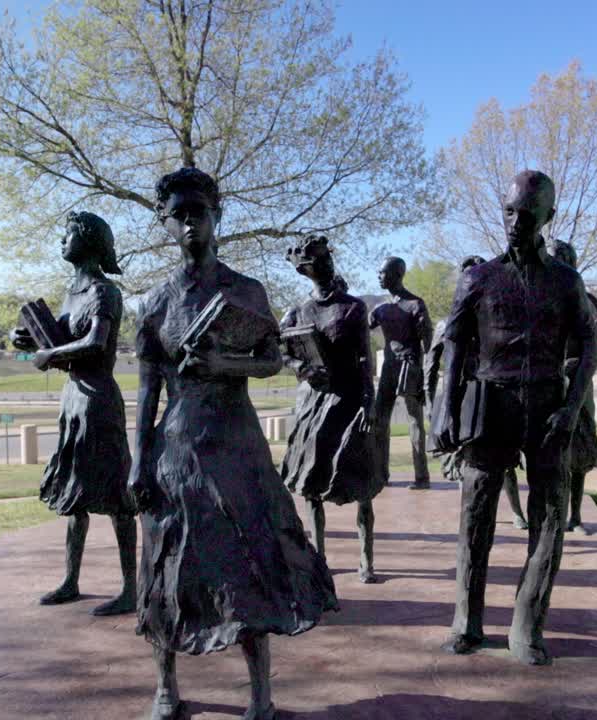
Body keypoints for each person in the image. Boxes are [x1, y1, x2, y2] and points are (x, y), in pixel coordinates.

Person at [129, 167, 337, 720]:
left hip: (237, 446)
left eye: (200, 211)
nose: (191, 222)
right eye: (179, 215)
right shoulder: (154, 303)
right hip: (176, 449)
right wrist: (137, 464)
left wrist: (223, 362)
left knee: (251, 561)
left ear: (217, 215)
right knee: (166, 565)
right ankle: (166, 687)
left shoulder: (247, 291)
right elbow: (147, 389)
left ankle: (261, 695)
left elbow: (273, 358)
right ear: (165, 223)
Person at [434, 170, 597, 666]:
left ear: (549, 217)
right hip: (491, 403)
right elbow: (455, 343)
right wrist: (447, 404)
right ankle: (467, 620)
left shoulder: (566, 281)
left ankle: (527, 625)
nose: (515, 222)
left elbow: (591, 344)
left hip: (548, 407)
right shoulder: (479, 277)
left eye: (527, 215)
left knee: (548, 520)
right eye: (508, 211)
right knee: (475, 516)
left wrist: (572, 407)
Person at [11, 210, 136, 616]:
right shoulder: (71, 293)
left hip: (99, 400)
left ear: (88, 240)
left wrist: (48, 353)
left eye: (68, 235)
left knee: (117, 498)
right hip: (73, 400)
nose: (61, 242)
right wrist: (27, 340)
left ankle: (131, 586)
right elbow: (63, 340)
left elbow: (97, 342)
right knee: (74, 496)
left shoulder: (105, 292)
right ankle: (71, 580)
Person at [280, 235, 383, 584]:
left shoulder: (354, 307)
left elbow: (366, 357)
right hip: (314, 404)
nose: (325, 265)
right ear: (304, 270)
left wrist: (369, 403)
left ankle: (366, 559)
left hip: (350, 399)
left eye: (326, 258)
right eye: (316, 262)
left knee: (362, 484)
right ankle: (319, 556)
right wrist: (301, 369)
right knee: (312, 482)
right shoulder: (296, 311)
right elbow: (281, 351)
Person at [426, 255, 528, 530]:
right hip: (458, 396)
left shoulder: (492, 318)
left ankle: (517, 511)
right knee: (464, 462)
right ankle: (468, 516)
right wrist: (430, 400)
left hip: (489, 394)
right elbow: (432, 362)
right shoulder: (446, 324)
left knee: (505, 459)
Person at [549, 241, 597, 535]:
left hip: (579, 382)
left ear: (572, 262)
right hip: (547, 381)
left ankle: (575, 516)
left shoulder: (588, 301)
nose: (556, 261)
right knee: (547, 448)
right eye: (553, 256)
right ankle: (551, 514)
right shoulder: (541, 298)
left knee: (580, 447)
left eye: (562, 257)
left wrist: (577, 361)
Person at [370, 256, 433, 489]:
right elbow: (358, 327)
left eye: (382, 272)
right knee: (379, 420)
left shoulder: (416, 304)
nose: (378, 276)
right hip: (389, 367)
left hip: (410, 366)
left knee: (414, 421)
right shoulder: (382, 309)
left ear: (396, 274)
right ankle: (380, 474)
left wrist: (426, 375)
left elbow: (428, 342)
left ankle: (422, 477)